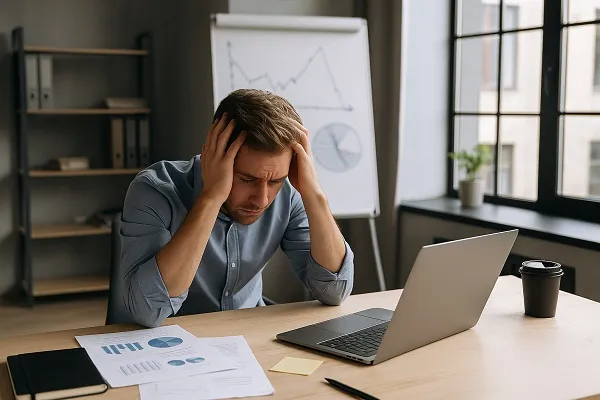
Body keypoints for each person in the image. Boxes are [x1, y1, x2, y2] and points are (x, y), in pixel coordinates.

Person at [119, 89, 355, 328]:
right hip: (170, 346)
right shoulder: (155, 190)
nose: (262, 199)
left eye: (275, 181)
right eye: (247, 180)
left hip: (249, 338)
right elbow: (147, 311)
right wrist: (210, 198)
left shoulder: (289, 195)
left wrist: (313, 194)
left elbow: (334, 291)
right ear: (213, 155)